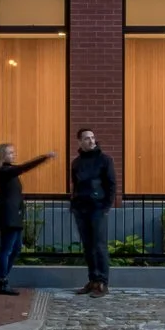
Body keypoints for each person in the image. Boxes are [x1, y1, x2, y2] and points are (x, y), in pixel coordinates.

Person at [0, 142, 53, 294]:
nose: (14, 155)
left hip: (15, 215)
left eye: (13, 152)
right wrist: (44, 157)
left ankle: (0, 279)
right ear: (2, 156)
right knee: (7, 249)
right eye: (10, 153)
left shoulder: (8, 171)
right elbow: (23, 168)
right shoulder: (4, 171)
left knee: (15, 249)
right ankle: (2, 281)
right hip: (9, 216)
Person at [67, 126, 119, 295]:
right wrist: (74, 204)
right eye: (87, 138)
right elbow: (75, 185)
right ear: (80, 142)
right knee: (88, 246)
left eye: (92, 138)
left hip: (97, 208)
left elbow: (111, 185)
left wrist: (106, 206)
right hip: (81, 208)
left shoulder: (105, 160)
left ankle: (103, 282)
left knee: (99, 245)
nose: (91, 141)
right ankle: (93, 279)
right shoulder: (76, 163)